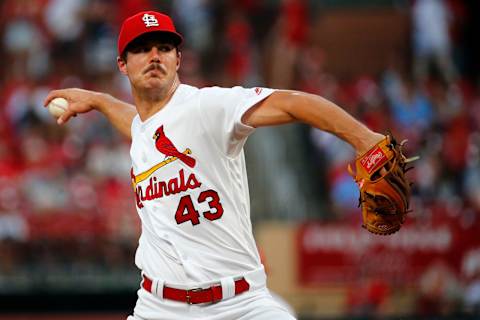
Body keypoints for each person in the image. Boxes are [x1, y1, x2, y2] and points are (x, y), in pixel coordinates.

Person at [44, 11, 384, 320]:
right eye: (142, 48)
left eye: (164, 47)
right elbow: (138, 124)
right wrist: (100, 101)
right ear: (122, 64)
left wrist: (365, 140)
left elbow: (293, 103)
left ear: (178, 59)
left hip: (241, 304)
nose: (154, 56)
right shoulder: (145, 128)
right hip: (158, 307)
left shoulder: (208, 106)